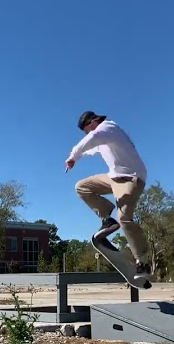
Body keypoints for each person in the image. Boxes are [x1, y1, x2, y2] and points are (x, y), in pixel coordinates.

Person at [65, 110, 151, 276]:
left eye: (87, 130)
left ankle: (143, 262)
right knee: (81, 187)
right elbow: (89, 149)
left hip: (131, 178)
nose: (88, 133)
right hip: (114, 177)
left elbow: (90, 139)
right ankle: (107, 219)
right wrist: (76, 156)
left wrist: (73, 156)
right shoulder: (101, 137)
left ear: (94, 121)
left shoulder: (108, 128)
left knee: (125, 218)